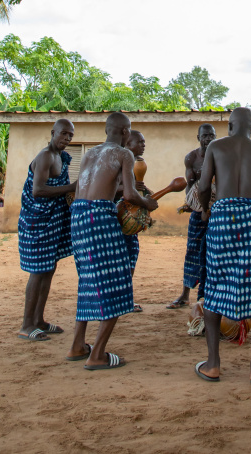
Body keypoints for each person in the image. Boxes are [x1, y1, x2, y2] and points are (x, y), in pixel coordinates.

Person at [196, 108, 251, 384]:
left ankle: (213, 365)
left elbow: (203, 185)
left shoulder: (216, 146)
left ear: (230, 126)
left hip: (221, 218)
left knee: (215, 286)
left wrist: (209, 209)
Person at [66, 113, 158, 370]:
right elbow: (129, 193)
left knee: (87, 280)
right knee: (119, 282)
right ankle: (97, 356)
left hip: (79, 216)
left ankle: (77, 346)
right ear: (126, 132)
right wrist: (146, 203)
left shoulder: (89, 153)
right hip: (100, 216)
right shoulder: (124, 154)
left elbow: (82, 188)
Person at [18, 119, 77, 341]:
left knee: (48, 269)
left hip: (52, 220)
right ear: (53, 132)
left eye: (70, 135)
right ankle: (26, 325)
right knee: (38, 271)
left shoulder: (61, 157)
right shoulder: (45, 156)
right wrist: (71, 188)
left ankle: (39, 320)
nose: (67, 139)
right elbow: (38, 191)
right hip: (38, 222)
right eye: (63, 134)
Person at [167, 124, 216, 309]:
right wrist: (192, 203)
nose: (208, 138)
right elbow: (190, 184)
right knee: (193, 250)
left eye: (211, 135)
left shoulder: (220, 154)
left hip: (217, 210)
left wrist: (210, 208)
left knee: (215, 252)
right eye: (205, 135)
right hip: (198, 212)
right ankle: (186, 294)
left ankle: (210, 295)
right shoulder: (192, 158)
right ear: (198, 137)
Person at [115, 129, 151, 313]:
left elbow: (136, 189)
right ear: (128, 144)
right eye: (140, 142)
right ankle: (122, 300)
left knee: (130, 259)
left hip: (129, 224)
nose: (143, 145)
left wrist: (146, 192)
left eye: (144, 142)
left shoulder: (136, 164)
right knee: (121, 261)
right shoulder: (122, 160)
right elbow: (113, 187)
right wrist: (130, 189)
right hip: (118, 219)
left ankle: (126, 299)